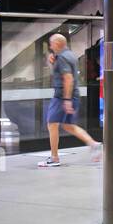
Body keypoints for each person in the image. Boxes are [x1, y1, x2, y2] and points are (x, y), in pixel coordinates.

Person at [38, 32, 101, 167]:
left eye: (51, 43)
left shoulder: (62, 58)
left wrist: (66, 100)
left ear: (57, 44)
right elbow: (61, 74)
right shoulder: (70, 55)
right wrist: (51, 63)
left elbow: (68, 78)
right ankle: (93, 144)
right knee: (68, 125)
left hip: (62, 96)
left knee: (52, 123)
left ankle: (54, 158)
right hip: (72, 95)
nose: (49, 45)